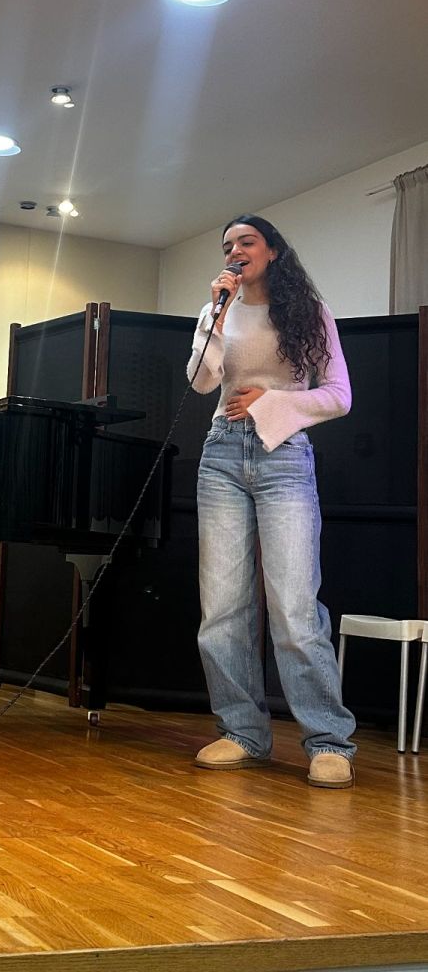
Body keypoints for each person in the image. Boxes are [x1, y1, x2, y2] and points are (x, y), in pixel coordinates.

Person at [186, 215, 356, 789]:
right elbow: (200, 383)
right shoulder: (217, 310)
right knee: (222, 607)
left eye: (247, 241)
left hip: (283, 457)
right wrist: (216, 317)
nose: (235, 251)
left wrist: (270, 400)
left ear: (273, 251)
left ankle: (329, 741)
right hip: (221, 456)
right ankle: (242, 732)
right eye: (228, 245)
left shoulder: (310, 312)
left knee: (293, 605)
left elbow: (339, 395)